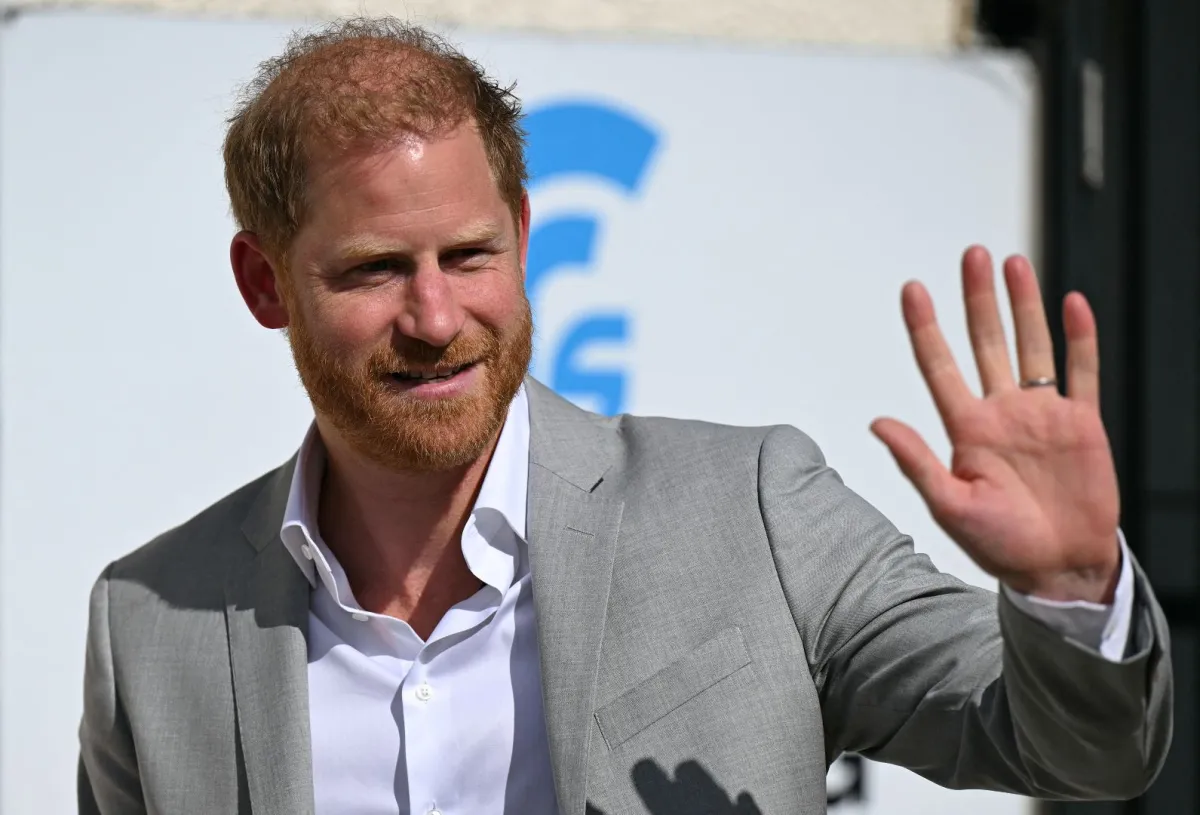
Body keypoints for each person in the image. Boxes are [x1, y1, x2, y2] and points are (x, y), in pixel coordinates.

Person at [77, 16, 1172, 815]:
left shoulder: (750, 511)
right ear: (265, 284)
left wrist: (1071, 591)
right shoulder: (150, 622)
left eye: (469, 254)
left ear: (522, 230)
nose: (435, 313)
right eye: (373, 270)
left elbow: (1082, 754)